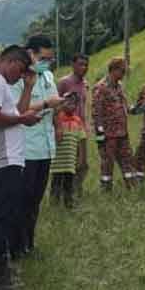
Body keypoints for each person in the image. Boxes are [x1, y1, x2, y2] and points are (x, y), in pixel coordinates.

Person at [0, 45, 41, 290]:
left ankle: (0, 270)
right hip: (2, 161)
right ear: (12, 62)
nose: (21, 75)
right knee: (2, 216)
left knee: (7, 214)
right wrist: (22, 120)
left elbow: (9, 113)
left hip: (8, 161)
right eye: (22, 70)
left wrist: (22, 115)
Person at [11, 35, 64, 257]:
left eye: (50, 60)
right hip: (26, 149)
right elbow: (15, 110)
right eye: (43, 58)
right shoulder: (17, 79)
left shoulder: (48, 76)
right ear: (30, 54)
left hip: (45, 148)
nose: (47, 63)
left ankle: (29, 244)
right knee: (22, 200)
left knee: (35, 200)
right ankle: (15, 247)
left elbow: (55, 103)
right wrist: (44, 103)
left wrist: (61, 110)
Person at [92, 57, 134, 190]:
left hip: (122, 132)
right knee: (107, 162)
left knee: (127, 159)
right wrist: (100, 134)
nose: (123, 74)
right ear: (114, 70)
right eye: (122, 71)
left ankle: (131, 186)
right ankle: (106, 189)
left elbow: (126, 105)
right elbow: (96, 112)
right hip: (108, 134)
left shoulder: (119, 86)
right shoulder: (101, 87)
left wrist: (137, 108)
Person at [56, 53, 90, 194]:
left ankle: (76, 191)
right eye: (81, 64)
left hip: (80, 128)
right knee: (65, 164)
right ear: (73, 64)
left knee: (82, 163)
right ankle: (61, 193)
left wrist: (86, 126)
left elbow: (84, 105)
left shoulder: (85, 84)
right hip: (66, 128)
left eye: (86, 65)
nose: (84, 67)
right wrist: (57, 127)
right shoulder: (64, 82)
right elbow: (56, 105)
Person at [49, 94, 87, 208]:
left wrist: (81, 159)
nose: (71, 106)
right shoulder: (57, 119)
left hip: (70, 161)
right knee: (56, 182)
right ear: (62, 103)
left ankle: (68, 203)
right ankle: (54, 203)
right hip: (57, 161)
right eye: (67, 102)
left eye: (73, 103)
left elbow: (82, 140)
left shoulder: (77, 121)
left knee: (69, 183)